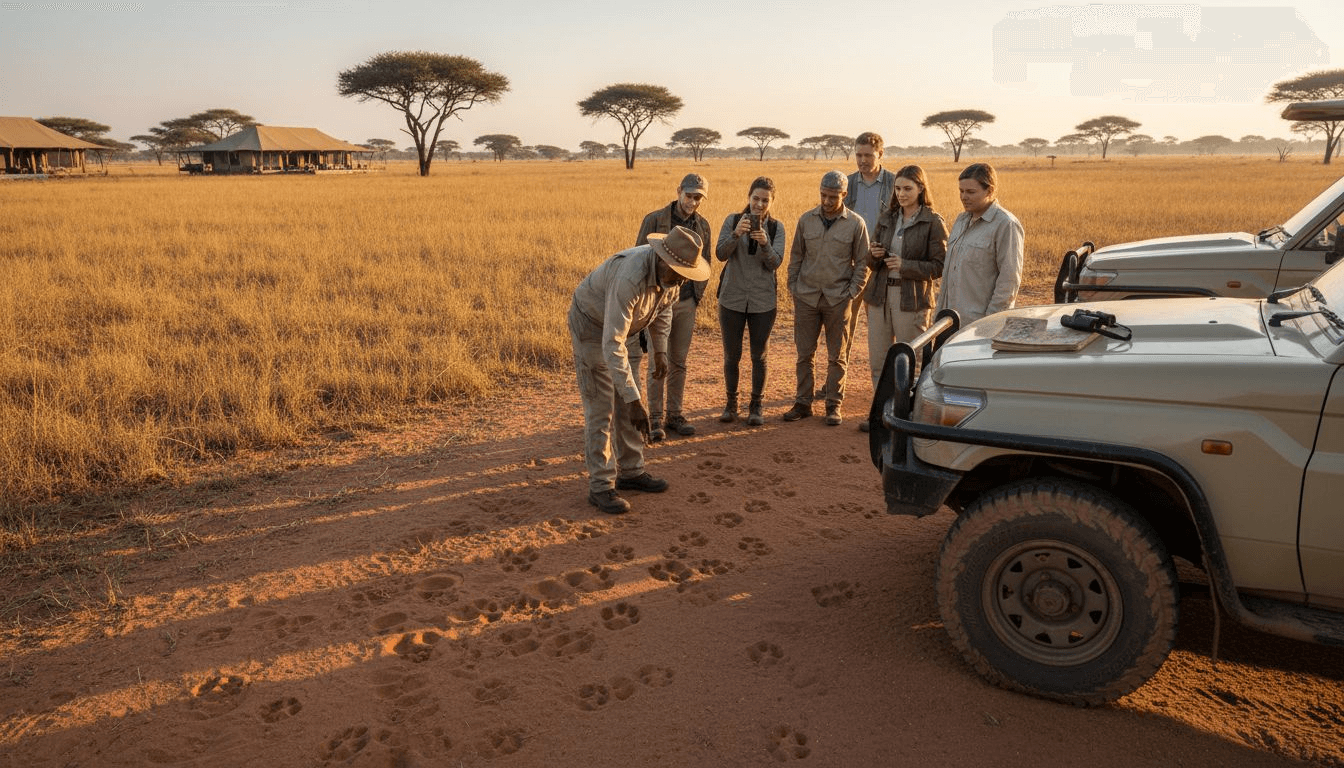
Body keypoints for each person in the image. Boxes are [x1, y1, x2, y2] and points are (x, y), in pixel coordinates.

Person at [569, 226, 711, 514]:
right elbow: (611, 344)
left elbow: (663, 310)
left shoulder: (672, 280)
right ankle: (600, 486)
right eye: (679, 273)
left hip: (627, 331)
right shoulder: (630, 278)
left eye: (686, 274)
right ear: (662, 260)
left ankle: (631, 472)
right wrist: (634, 400)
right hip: (592, 328)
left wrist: (660, 350)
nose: (683, 281)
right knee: (602, 407)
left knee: (629, 399)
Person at [860, 165, 947, 432]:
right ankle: (881, 414)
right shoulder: (888, 217)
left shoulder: (933, 221)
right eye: (898, 188)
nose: (902, 194)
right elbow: (869, 262)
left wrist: (905, 265)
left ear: (921, 188)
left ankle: (908, 415)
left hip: (911, 297)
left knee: (909, 358)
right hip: (879, 295)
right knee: (879, 360)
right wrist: (873, 255)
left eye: (908, 188)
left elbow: (940, 265)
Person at [784, 170, 870, 426]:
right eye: (823, 195)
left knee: (837, 356)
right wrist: (793, 287)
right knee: (804, 354)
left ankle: (834, 405)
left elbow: (863, 263)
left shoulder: (856, 223)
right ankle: (803, 403)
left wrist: (852, 293)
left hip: (838, 299)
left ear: (844, 195)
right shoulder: (805, 220)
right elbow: (796, 257)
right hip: (807, 297)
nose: (827, 201)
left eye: (833, 196)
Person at [635, 173, 713, 441]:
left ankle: (675, 414)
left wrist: (696, 297)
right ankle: (655, 419)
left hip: (686, 300)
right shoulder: (655, 219)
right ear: (679, 190)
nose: (693, 202)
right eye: (689, 195)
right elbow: (638, 258)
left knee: (679, 360)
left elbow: (706, 265)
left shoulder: (702, 225)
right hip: (657, 301)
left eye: (698, 197)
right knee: (660, 359)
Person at [715, 176, 785, 426]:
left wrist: (765, 243)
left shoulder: (777, 228)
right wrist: (736, 234)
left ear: (772, 202)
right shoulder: (733, 220)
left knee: (760, 356)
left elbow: (776, 263)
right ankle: (731, 404)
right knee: (731, 355)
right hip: (732, 298)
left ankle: (756, 406)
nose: (759, 204)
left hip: (762, 301)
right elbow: (720, 254)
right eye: (756, 198)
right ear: (749, 197)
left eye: (765, 200)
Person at [937, 163, 1025, 325]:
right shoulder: (961, 220)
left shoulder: (1005, 224)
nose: (964, 197)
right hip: (949, 320)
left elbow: (1009, 281)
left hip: (978, 323)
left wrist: (989, 323)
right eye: (961, 191)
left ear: (990, 191)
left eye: (971, 192)